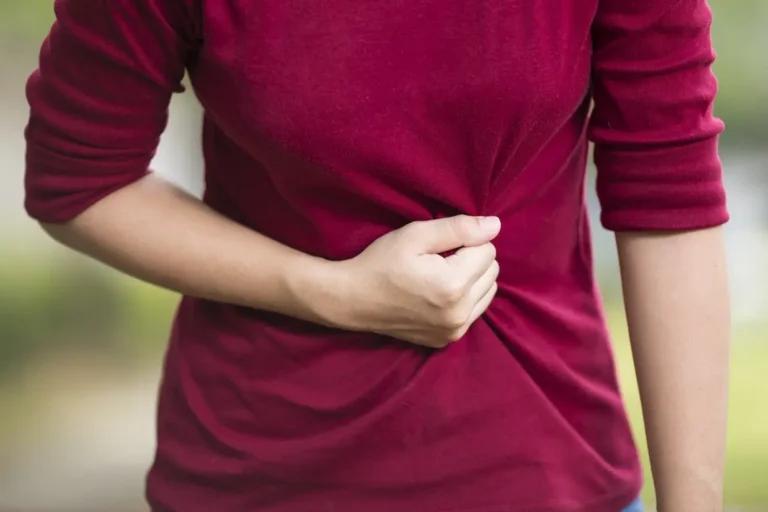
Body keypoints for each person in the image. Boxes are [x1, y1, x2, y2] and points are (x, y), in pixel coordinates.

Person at [22, 1, 731, 511]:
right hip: (259, 476)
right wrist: (327, 290)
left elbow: (671, 197)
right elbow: (80, 178)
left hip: (549, 470)